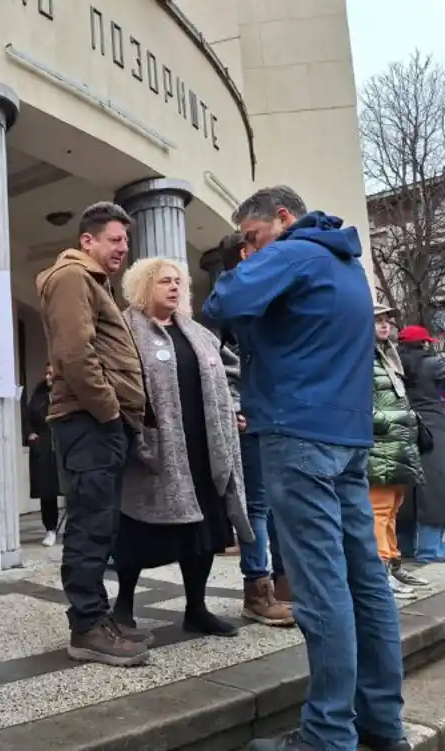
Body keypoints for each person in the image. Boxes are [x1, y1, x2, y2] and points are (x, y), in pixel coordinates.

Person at [203, 185, 409, 751]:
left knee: (320, 591)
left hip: (298, 435)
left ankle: (326, 735)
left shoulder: (293, 252)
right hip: (345, 436)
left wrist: (241, 264)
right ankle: (381, 722)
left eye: (252, 237)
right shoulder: (346, 266)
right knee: (365, 582)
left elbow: (220, 304)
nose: (250, 250)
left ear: (284, 218)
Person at [112, 257, 254, 637]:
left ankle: (197, 608)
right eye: (164, 282)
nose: (175, 287)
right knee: (137, 530)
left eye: (179, 281)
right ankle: (123, 608)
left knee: (204, 530)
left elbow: (233, 373)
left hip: (203, 447)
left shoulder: (196, 332)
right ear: (143, 286)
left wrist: (234, 409)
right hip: (154, 450)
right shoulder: (125, 330)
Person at [37, 200, 151, 668]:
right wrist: (108, 411)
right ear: (87, 241)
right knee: (89, 524)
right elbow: (74, 353)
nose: (123, 247)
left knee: (100, 522)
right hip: (89, 421)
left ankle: (97, 619)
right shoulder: (72, 278)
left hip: (99, 421)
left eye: (125, 240)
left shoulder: (94, 284)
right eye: (114, 239)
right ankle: (86, 629)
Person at [215, 232, 295, 624]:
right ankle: (257, 587)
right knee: (257, 506)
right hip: (250, 419)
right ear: (245, 254)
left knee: (283, 503)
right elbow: (215, 368)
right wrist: (234, 408)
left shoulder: (269, 296)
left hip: (280, 415)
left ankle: (286, 581)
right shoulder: (226, 304)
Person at [369, 308, 427, 599]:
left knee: (392, 508)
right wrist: (393, 419)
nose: (384, 325)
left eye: (385, 320)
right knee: (379, 510)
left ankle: (393, 563)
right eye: (377, 320)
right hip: (380, 445)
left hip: (397, 444)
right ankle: (380, 573)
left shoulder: (386, 355)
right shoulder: (363, 357)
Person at [398, 324, 445, 563]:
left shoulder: (394, 364)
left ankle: (403, 546)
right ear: (424, 343)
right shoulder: (433, 364)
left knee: (406, 488)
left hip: (403, 428)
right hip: (433, 430)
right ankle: (430, 549)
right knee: (435, 488)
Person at [23, 363, 61, 546]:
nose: (48, 377)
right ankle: (50, 529)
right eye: (46, 373)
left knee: (74, 489)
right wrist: (30, 435)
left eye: (52, 374)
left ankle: (75, 530)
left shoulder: (69, 393)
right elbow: (28, 418)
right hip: (44, 446)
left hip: (65, 445)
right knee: (48, 491)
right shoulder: (38, 395)